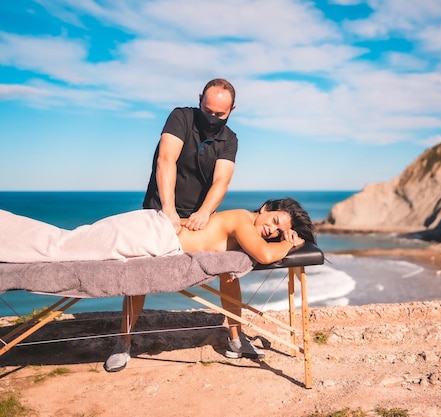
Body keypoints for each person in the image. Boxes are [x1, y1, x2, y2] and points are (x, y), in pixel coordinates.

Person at [0, 198, 316, 370]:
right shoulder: (242, 219)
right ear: (265, 209)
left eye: (278, 231)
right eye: (274, 221)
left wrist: (286, 242)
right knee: (62, 248)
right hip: (150, 234)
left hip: (156, 240)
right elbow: (262, 253)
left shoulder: (246, 226)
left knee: (64, 246)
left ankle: (236, 339)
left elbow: (254, 255)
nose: (271, 231)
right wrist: (289, 244)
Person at [116, 78, 239, 371]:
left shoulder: (230, 139)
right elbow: (166, 160)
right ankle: (123, 342)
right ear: (199, 99)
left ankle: (237, 337)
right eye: (207, 110)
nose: (212, 118)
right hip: (161, 210)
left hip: (198, 217)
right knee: (138, 273)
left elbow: (222, 180)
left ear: (232, 109)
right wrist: (168, 210)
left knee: (229, 268)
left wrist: (206, 212)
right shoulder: (181, 117)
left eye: (220, 114)